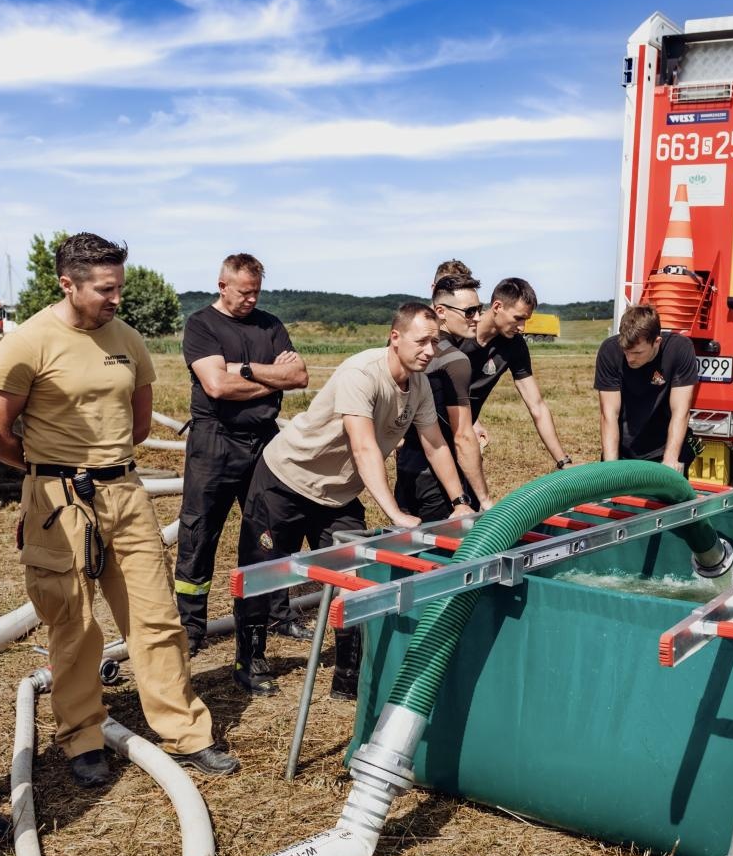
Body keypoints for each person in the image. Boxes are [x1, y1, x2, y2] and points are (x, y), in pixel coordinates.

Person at [0, 233, 238, 786]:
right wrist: (38, 468)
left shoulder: (128, 340)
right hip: (58, 501)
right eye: (104, 288)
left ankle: (186, 733)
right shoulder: (29, 342)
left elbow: (139, 425)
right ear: (67, 284)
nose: (116, 297)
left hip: (125, 493)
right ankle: (82, 737)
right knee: (75, 624)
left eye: (120, 286)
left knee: (156, 617)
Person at [238, 304, 474, 700]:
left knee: (357, 573)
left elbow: (435, 444)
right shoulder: (361, 374)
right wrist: (396, 513)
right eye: (422, 341)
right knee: (265, 572)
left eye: (435, 341)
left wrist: (459, 500)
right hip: (287, 479)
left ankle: (348, 677)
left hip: (339, 493)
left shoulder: (418, 386)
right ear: (395, 337)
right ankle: (250, 660)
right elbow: (364, 447)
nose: (430, 350)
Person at [173, 253, 308, 694]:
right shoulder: (201, 325)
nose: (251, 299)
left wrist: (245, 371)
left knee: (269, 533)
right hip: (215, 441)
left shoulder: (269, 324)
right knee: (199, 532)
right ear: (222, 285)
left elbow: (299, 376)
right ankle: (190, 628)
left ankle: (276, 613)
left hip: (264, 441)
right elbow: (216, 386)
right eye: (243, 291)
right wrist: (273, 378)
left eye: (256, 291)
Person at [395, 273, 496, 521]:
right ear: (440, 311)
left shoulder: (407, 350)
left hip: (407, 468)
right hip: (440, 478)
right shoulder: (455, 360)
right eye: (469, 311)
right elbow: (462, 436)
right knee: (446, 557)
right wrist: (484, 499)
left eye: (479, 310)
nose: (478, 318)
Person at [457, 276, 573, 473]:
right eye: (518, 318)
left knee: (471, 501)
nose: (522, 327)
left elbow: (536, 405)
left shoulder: (515, 345)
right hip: (433, 435)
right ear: (497, 306)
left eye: (526, 320)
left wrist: (564, 462)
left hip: (466, 438)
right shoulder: (459, 333)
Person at [594, 303, 698, 470]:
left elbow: (681, 410)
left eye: (637, 353)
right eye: (626, 351)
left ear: (656, 342)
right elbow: (609, 414)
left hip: (663, 449)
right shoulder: (610, 352)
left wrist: (670, 459)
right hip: (624, 450)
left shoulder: (679, 350)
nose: (630, 359)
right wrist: (610, 467)